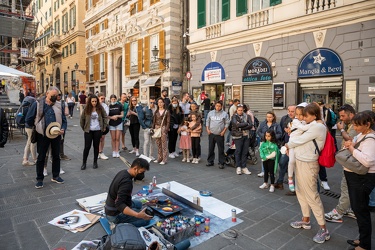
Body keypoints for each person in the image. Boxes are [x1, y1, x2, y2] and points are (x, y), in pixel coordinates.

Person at [286, 103, 330, 244]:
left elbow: (298, 140)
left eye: (306, 115)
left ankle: (324, 229)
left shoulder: (318, 126)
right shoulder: (312, 125)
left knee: (312, 195)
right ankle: (306, 220)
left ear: (315, 114)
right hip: (300, 160)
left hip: (308, 163)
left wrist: (288, 144)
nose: (303, 118)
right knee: (300, 191)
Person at [343, 112, 375, 250]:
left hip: (362, 179)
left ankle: (364, 245)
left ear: (367, 124)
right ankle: (362, 239)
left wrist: (351, 148)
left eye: (357, 125)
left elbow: (368, 161)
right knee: (358, 209)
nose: (354, 128)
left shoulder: (370, 139)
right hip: (356, 177)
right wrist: (349, 145)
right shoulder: (363, 135)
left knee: (361, 211)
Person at [25, 86, 67, 189]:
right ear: (47, 94)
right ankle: (39, 179)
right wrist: (37, 127)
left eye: (56, 95)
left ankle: (56, 176)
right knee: (41, 157)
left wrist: (63, 129)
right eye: (53, 95)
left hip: (56, 133)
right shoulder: (38, 104)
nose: (54, 97)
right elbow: (29, 119)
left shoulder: (59, 105)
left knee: (56, 155)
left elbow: (64, 120)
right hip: (42, 135)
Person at [325, 104, 357, 223]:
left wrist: (342, 129)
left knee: (346, 186)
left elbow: (350, 139)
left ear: (351, 114)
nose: (341, 118)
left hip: (352, 162)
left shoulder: (355, 125)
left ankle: (339, 212)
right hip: (350, 161)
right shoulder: (353, 124)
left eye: (343, 116)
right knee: (350, 187)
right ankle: (350, 209)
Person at [105, 158, 152, 226]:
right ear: (135, 168)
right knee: (145, 220)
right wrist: (137, 215)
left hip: (111, 206)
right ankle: (118, 225)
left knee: (139, 204)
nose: (142, 175)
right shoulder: (126, 183)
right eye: (142, 172)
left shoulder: (123, 172)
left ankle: (131, 211)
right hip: (114, 214)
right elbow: (119, 205)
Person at [286, 104, 311, 192]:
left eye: (301, 114)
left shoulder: (305, 121)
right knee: (291, 161)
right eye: (297, 114)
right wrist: (315, 125)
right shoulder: (296, 121)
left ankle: (298, 184)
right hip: (292, 143)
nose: (299, 116)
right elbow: (303, 128)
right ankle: (290, 179)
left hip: (300, 144)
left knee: (298, 164)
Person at [80, 95, 108, 170]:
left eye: (95, 101)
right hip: (88, 131)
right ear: (90, 101)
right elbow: (82, 119)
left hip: (98, 130)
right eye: (92, 101)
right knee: (87, 147)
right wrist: (84, 128)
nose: (94, 103)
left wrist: (104, 126)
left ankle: (95, 162)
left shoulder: (100, 108)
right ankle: (84, 163)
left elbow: (105, 116)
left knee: (96, 147)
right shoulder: (86, 108)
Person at [274, 104, 296, 193]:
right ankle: (280, 182)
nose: (290, 113)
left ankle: (294, 188)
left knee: (294, 167)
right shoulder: (284, 118)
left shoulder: (300, 120)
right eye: (289, 111)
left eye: (292, 111)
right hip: (285, 145)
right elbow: (281, 129)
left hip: (295, 147)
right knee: (282, 163)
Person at [256, 111, 282, 177]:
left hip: (273, 143)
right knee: (263, 156)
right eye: (267, 117)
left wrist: (272, 138)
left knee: (272, 158)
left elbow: (280, 133)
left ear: (273, 117)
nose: (269, 118)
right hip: (264, 142)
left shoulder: (276, 125)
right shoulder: (263, 124)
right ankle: (263, 171)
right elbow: (258, 131)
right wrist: (264, 137)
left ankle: (272, 172)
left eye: (270, 117)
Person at [206, 101, 230, 169]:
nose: (218, 107)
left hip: (220, 134)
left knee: (221, 149)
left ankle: (221, 162)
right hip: (211, 133)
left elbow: (227, 123)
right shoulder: (211, 113)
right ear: (215, 106)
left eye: (219, 106)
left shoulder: (224, 114)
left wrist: (224, 131)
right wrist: (207, 129)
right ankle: (210, 161)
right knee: (211, 148)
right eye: (217, 106)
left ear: (221, 106)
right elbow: (207, 121)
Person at [231, 104, 252, 175]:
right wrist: (246, 124)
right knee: (238, 151)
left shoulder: (247, 116)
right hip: (237, 136)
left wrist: (241, 126)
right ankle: (238, 166)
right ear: (236, 110)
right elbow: (236, 125)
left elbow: (251, 125)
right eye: (239, 110)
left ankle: (244, 167)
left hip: (246, 136)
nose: (240, 111)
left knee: (245, 152)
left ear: (243, 110)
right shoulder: (234, 116)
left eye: (241, 110)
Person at [317, 100, 331, 191]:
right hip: (309, 149)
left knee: (321, 163)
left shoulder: (321, 122)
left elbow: (327, 132)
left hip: (319, 147)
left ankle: (323, 180)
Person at [152, 98, 170, 165]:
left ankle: (164, 159)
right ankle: (159, 157)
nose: (160, 104)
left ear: (164, 103)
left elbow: (168, 122)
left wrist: (166, 130)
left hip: (163, 127)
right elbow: (154, 121)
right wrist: (153, 128)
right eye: (159, 102)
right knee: (158, 143)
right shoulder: (156, 112)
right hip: (157, 127)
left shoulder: (166, 111)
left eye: (161, 102)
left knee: (164, 144)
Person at [57, 94, 71, 161]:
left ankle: (61, 154)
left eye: (60, 95)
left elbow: (66, 113)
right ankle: (53, 156)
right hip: (53, 125)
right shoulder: (50, 103)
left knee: (61, 140)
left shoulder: (63, 103)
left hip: (61, 124)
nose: (59, 96)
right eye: (57, 95)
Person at [98, 93, 109, 160]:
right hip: (96, 124)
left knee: (102, 138)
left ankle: (101, 151)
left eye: (104, 98)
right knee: (97, 139)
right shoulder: (95, 105)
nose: (103, 100)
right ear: (98, 98)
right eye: (101, 98)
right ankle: (98, 152)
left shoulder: (105, 106)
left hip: (103, 124)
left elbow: (106, 114)